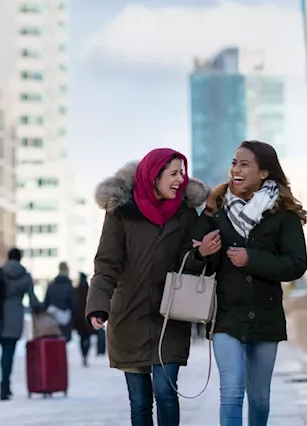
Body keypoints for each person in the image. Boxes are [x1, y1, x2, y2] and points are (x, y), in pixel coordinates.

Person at [186, 140, 307, 426]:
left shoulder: (283, 213)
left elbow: (297, 264)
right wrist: (202, 252)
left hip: (266, 316)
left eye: (244, 164)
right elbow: (192, 258)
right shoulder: (215, 209)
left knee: (259, 397)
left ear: (264, 172)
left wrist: (251, 259)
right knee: (230, 393)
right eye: (234, 163)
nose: (236, 170)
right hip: (227, 315)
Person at [86, 148, 210, 426]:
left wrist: (200, 254)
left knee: (166, 391)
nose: (180, 180)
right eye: (173, 173)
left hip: (170, 315)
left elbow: (186, 264)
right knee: (140, 401)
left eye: (182, 173)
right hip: (129, 315)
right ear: (154, 176)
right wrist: (97, 305)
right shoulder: (120, 213)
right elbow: (107, 263)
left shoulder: (186, 213)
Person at [0, 248, 43, 401]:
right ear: (20, 259)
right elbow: (33, 300)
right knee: (9, 353)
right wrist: (42, 306)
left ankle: (4, 385)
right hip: (15, 317)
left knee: (4, 353)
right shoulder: (25, 276)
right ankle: (5, 386)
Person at [44, 262, 76, 342]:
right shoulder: (69, 286)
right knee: (64, 342)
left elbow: (46, 303)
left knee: (54, 342)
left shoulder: (52, 286)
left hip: (52, 318)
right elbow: (74, 305)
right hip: (66, 318)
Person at [73, 272, 95, 367]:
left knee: (82, 338)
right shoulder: (89, 290)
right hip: (87, 318)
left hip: (79, 318)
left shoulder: (76, 290)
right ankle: (86, 355)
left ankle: (83, 355)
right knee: (88, 338)